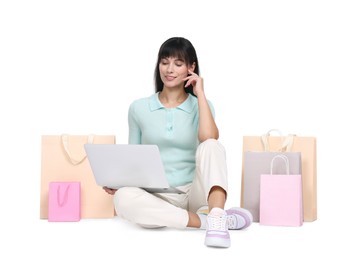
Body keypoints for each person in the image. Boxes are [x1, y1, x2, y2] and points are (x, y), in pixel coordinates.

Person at [103, 37, 252, 248]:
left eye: (178, 64)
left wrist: (199, 93)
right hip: (155, 197)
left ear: (191, 67)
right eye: (164, 62)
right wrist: (119, 181)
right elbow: (133, 156)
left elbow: (210, 137)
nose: (169, 69)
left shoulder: (202, 105)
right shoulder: (138, 108)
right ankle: (210, 222)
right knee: (122, 199)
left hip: (195, 194)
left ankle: (216, 212)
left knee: (211, 145)